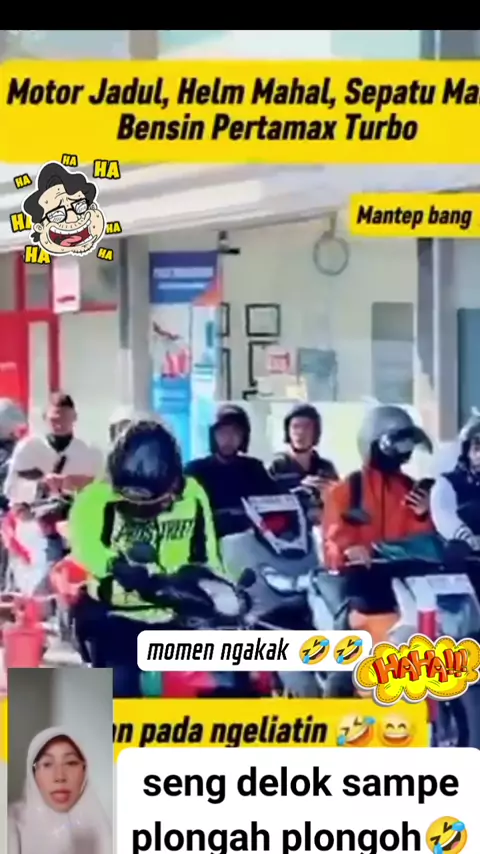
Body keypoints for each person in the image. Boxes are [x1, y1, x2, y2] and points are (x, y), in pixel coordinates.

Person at [68, 417, 223, 695]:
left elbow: (208, 550)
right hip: (117, 614)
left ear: (173, 485)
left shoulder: (193, 494)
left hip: (177, 613)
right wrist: (116, 566)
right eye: (132, 504)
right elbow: (87, 547)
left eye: (152, 504)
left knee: (223, 683)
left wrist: (213, 587)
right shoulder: (94, 499)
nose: (142, 511)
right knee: (121, 688)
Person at [321, 405, 434, 670]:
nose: (404, 451)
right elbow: (332, 539)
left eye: (407, 445)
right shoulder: (349, 489)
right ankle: (341, 685)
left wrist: (423, 516)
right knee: (366, 641)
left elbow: (422, 543)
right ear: (376, 442)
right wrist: (349, 550)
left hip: (404, 583)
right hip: (363, 583)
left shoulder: (409, 488)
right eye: (397, 443)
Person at [8, 726, 111, 854]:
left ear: (85, 770)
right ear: (33, 773)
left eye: (71, 763)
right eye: (47, 764)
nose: (60, 777)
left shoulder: (105, 832)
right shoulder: (11, 825)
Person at [185, 404, 279, 537]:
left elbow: (275, 504)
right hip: (207, 541)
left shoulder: (254, 469)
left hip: (249, 541)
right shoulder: (195, 471)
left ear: (243, 437)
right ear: (213, 436)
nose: (228, 438)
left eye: (235, 432)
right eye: (223, 432)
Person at [4, 392, 103, 504]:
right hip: (35, 511)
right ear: (44, 417)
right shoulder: (27, 448)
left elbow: (102, 489)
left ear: (75, 417)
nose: (59, 425)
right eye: (54, 420)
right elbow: (10, 490)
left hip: (76, 511)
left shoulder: (90, 452)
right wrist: (42, 486)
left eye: (65, 419)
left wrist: (72, 482)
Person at [430, 414, 480, 547]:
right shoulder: (448, 483)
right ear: (466, 450)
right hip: (461, 554)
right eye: (477, 447)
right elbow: (444, 516)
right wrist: (467, 539)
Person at [269, 403, 338, 498]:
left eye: (307, 427)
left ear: (315, 432)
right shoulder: (276, 467)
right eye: (295, 427)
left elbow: (340, 500)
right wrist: (299, 489)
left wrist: (329, 493)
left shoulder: (326, 468)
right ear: (288, 431)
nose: (300, 432)